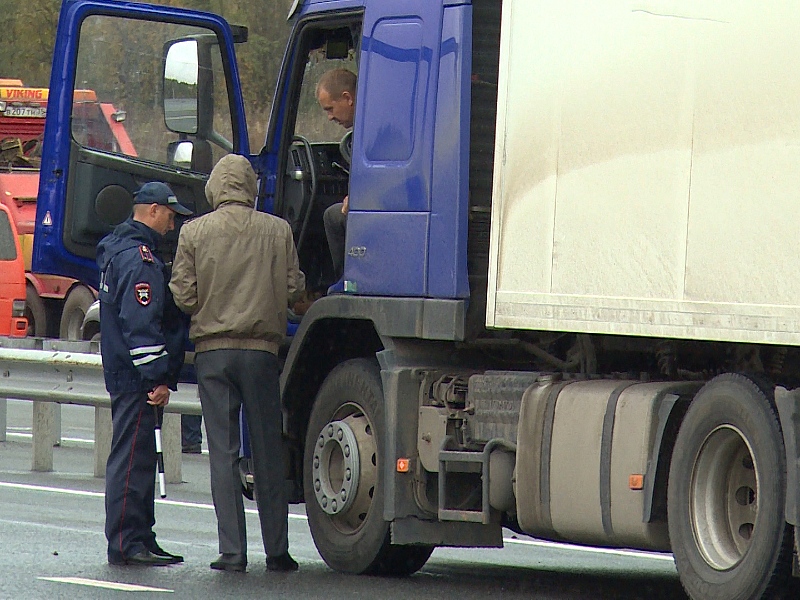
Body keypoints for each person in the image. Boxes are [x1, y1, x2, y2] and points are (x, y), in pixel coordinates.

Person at [169, 154, 305, 573]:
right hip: (262, 353)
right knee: (267, 451)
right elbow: (294, 288)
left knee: (223, 453)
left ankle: (232, 551)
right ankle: (277, 551)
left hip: (213, 353)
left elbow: (183, 295)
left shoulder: (194, 231)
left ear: (214, 187)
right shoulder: (278, 230)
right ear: (251, 187)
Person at [97, 181, 192, 567]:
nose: (172, 224)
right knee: (132, 460)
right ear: (152, 210)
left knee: (140, 459)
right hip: (137, 377)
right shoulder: (140, 260)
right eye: (170, 215)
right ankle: (126, 541)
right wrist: (156, 378)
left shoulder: (120, 249)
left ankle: (140, 536)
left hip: (128, 372)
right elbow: (141, 324)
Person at [317, 68, 356, 283]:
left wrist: (359, 198)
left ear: (347, 98)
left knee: (333, 217)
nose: (330, 117)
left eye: (330, 109)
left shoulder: (371, 130)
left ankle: (346, 282)